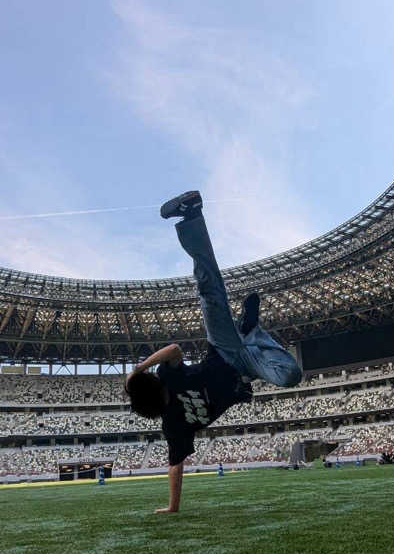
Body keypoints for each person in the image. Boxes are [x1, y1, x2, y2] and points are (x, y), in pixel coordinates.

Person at [125, 190, 302, 513]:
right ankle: (252, 329)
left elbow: (175, 349)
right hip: (246, 368)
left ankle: (191, 215)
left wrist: (140, 367)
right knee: (291, 374)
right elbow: (175, 467)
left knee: (209, 292)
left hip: (223, 347)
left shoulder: (168, 376)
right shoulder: (173, 426)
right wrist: (172, 508)